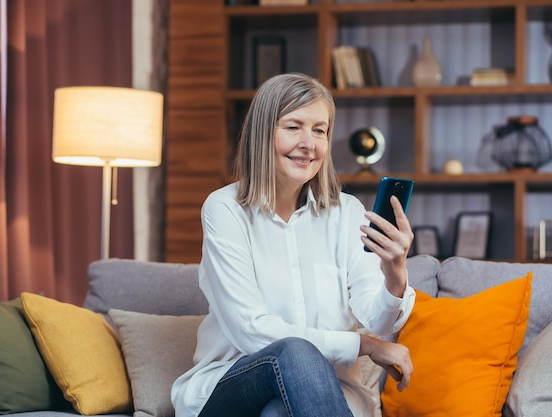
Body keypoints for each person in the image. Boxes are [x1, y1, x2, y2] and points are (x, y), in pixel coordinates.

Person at [171, 72, 416, 417]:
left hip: (327, 393)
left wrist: (395, 273)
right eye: (293, 127)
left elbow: (380, 320)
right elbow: (252, 332)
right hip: (231, 392)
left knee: (278, 413)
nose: (309, 144)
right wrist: (364, 345)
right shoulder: (225, 209)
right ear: (262, 133)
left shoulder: (347, 214)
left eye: (320, 130)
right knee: (295, 352)